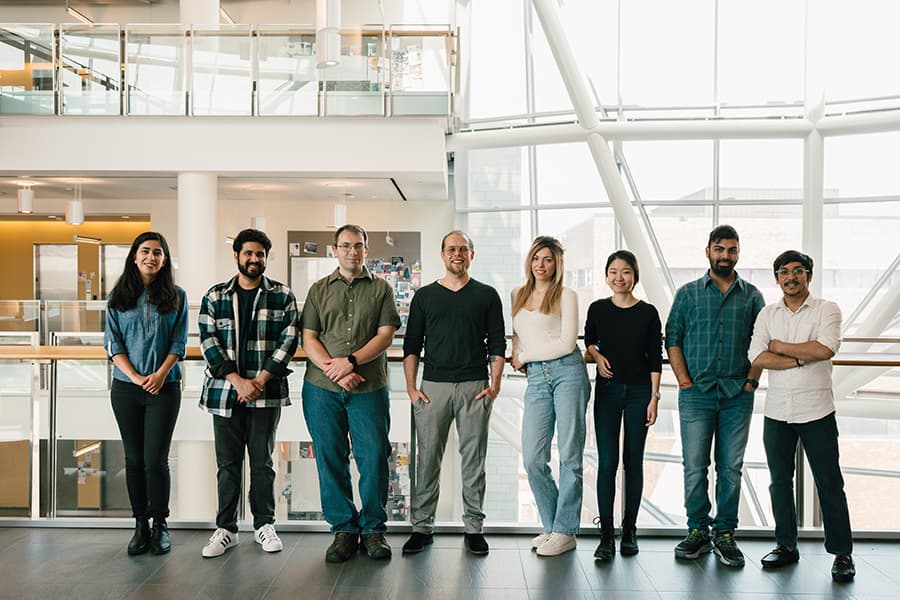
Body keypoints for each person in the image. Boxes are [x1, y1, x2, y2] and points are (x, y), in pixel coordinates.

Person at [748, 250, 855, 582]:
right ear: (777, 278)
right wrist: (798, 358)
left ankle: (842, 553)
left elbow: (825, 348)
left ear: (809, 275)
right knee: (779, 482)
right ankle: (786, 546)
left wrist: (780, 347)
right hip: (777, 412)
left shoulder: (827, 309)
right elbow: (756, 356)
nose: (790, 277)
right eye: (784, 272)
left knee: (829, 482)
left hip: (817, 410)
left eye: (797, 271)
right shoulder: (768, 313)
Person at [665, 224, 764, 568]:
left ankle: (724, 534)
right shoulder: (688, 294)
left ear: (738, 253)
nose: (725, 256)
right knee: (695, 466)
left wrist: (751, 383)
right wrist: (684, 381)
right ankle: (697, 530)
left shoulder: (752, 296)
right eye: (719, 249)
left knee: (730, 467)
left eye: (731, 250)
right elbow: (673, 338)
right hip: (697, 393)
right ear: (707, 251)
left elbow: (762, 344)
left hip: (738, 394)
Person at [401, 231, 505, 556]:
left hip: (475, 387)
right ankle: (422, 527)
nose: (457, 254)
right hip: (433, 388)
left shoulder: (487, 295)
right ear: (442, 254)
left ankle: (474, 529)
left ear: (471, 254)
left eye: (463, 249)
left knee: (474, 461)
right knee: (427, 460)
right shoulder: (424, 296)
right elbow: (411, 346)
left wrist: (495, 385)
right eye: (451, 249)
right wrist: (412, 389)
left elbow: (497, 343)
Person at [301, 224, 401, 563]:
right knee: (330, 456)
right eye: (345, 246)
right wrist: (335, 369)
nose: (352, 251)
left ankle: (372, 529)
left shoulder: (382, 289)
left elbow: (385, 335)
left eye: (358, 246)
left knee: (374, 457)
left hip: (369, 387)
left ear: (366, 250)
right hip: (322, 389)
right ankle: (343, 529)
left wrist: (351, 362)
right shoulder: (318, 290)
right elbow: (309, 337)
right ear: (335, 250)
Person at [199, 228, 299, 558]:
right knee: (227, 465)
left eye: (260, 254)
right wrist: (238, 382)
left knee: (262, 463)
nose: (254, 259)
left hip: (265, 393)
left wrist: (259, 380)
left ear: (266, 258)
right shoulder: (215, 296)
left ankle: (263, 525)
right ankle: (226, 529)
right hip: (224, 393)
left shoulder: (282, 295)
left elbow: (289, 340)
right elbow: (208, 341)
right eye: (249, 253)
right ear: (237, 256)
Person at [105, 231, 187, 556]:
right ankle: (140, 523)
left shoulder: (177, 296)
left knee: (156, 460)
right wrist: (136, 377)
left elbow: (178, 342)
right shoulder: (118, 297)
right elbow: (113, 344)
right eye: (145, 251)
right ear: (135, 256)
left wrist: (160, 374)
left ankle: (160, 525)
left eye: (157, 252)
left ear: (164, 260)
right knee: (134, 460)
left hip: (164, 388)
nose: (151, 257)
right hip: (126, 389)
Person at [510, 236, 590, 557]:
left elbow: (567, 343)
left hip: (568, 372)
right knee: (532, 457)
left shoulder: (567, 295)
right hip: (536, 379)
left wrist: (525, 356)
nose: (541, 265)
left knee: (570, 455)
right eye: (536, 258)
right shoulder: (517, 294)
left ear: (557, 264)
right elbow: (518, 335)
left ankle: (564, 531)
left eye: (548, 259)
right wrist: (518, 353)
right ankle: (554, 525)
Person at [584, 250, 662, 560]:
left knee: (633, 462)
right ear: (606, 277)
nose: (619, 277)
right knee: (607, 463)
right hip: (608, 393)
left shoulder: (648, 312)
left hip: (640, 393)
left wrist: (654, 397)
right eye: (613, 271)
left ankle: (629, 531)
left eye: (626, 271)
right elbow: (589, 339)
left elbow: (655, 358)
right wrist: (597, 354)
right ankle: (606, 536)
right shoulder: (598, 309)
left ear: (635, 276)